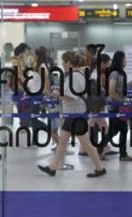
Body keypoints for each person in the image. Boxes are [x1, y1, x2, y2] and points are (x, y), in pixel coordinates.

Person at [38, 50, 106, 178]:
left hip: (76, 116)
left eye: (64, 62)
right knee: (62, 142)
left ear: (69, 62)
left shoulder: (74, 77)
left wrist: (57, 94)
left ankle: (100, 168)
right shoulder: (76, 75)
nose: (62, 64)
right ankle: (52, 168)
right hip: (72, 115)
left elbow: (71, 97)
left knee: (86, 144)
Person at [99, 50, 132, 161]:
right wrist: (123, 101)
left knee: (119, 129)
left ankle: (122, 154)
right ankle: (100, 151)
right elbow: (111, 91)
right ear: (120, 60)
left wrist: (129, 85)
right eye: (125, 58)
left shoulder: (119, 73)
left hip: (118, 105)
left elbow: (118, 89)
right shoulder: (115, 73)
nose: (126, 61)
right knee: (116, 130)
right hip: (115, 106)